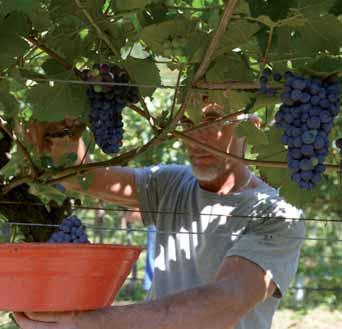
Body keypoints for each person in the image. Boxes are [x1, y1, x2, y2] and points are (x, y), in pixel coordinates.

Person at [15, 102, 305, 329]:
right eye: (187, 122)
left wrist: (85, 323)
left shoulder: (277, 215)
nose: (196, 136)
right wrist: (61, 136)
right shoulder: (172, 184)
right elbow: (83, 178)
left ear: (252, 127)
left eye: (212, 120)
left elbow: (220, 308)